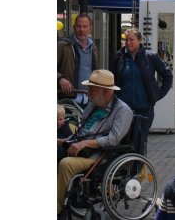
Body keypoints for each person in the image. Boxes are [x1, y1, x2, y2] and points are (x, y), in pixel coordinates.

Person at [57, 70, 133, 215]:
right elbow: (82, 129)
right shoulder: (94, 104)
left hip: (98, 155)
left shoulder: (123, 110)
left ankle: (57, 209)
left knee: (66, 164)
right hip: (80, 146)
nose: (88, 92)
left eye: (92, 88)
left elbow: (113, 139)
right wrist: (65, 141)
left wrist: (84, 144)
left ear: (104, 91)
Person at [111, 28, 174, 156]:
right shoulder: (120, 57)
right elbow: (113, 79)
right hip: (123, 108)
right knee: (123, 139)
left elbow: (167, 75)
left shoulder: (150, 57)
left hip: (144, 108)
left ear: (140, 41)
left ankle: (139, 170)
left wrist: (157, 95)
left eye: (131, 40)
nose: (128, 43)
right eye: (126, 40)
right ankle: (124, 170)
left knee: (140, 140)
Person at [57, 14, 101, 105]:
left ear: (90, 28)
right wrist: (60, 79)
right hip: (68, 99)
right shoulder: (63, 45)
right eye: (78, 26)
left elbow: (95, 72)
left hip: (89, 100)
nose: (82, 30)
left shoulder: (93, 48)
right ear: (74, 27)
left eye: (85, 26)